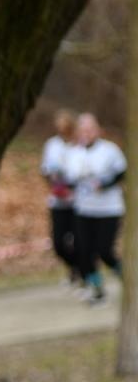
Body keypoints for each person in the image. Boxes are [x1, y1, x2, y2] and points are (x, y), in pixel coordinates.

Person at [65, 112, 125, 305]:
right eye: (84, 129)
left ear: (98, 130)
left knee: (104, 251)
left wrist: (105, 184)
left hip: (109, 209)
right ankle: (97, 290)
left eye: (91, 129)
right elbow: (69, 180)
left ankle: (127, 277)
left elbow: (122, 172)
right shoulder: (74, 153)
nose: (87, 133)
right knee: (84, 251)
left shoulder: (110, 150)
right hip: (84, 209)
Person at [41, 109, 80, 287]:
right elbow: (45, 170)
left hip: (78, 202)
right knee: (58, 243)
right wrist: (54, 183)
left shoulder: (79, 145)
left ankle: (83, 272)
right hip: (58, 200)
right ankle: (75, 267)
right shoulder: (52, 145)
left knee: (79, 240)